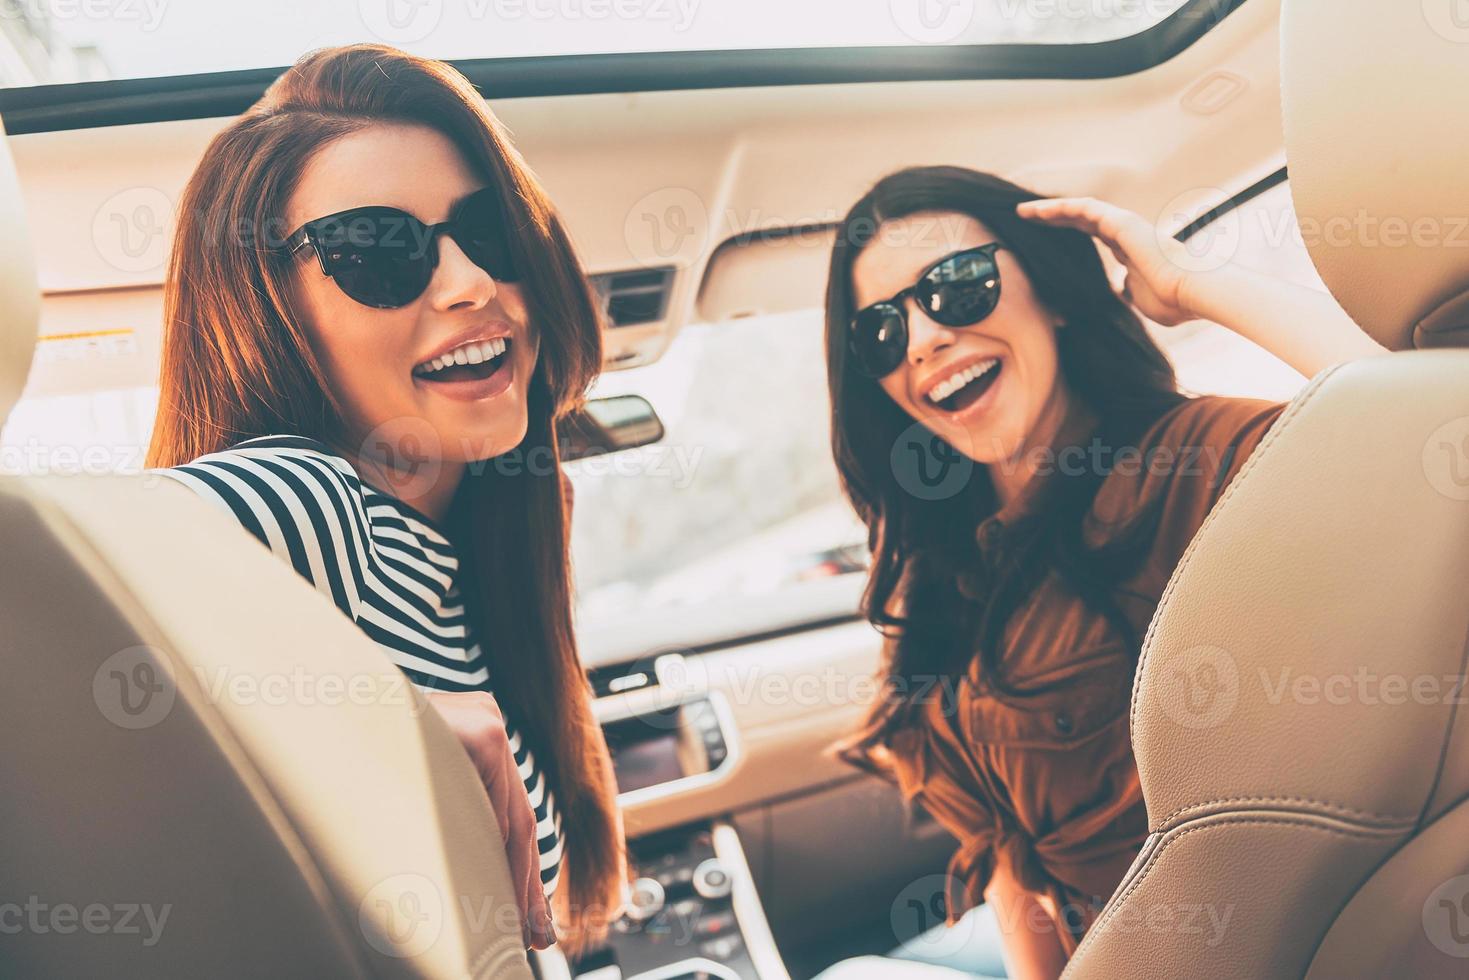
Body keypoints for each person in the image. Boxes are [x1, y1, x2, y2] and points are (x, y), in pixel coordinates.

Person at [820, 166, 1384, 979]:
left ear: (1050, 291)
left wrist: (1188, 281)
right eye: (878, 329)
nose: (919, 341)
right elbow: (1016, 871)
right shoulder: (947, 568)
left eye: (954, 286)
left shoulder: (1198, 463)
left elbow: (1427, 427)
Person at [144, 44, 623, 953]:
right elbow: (47, 622)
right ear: (266, 309)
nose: (472, 285)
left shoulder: (473, 535)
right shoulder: (304, 498)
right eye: (374, 252)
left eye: (489, 232)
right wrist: (363, 720)